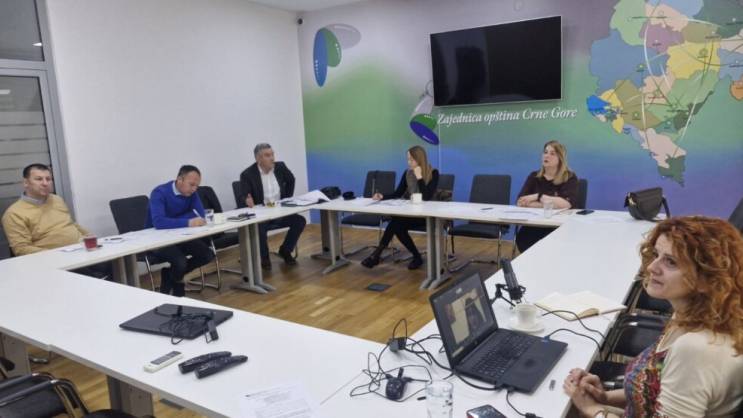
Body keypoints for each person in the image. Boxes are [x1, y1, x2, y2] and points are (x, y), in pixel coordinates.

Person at [564, 216, 743, 418]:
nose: (651, 267)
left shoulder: (696, 348)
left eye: (671, 262)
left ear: (707, 279)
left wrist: (592, 410)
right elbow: (659, 387)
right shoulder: (689, 314)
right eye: (656, 255)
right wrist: (604, 397)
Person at [2, 163, 111, 279]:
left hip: (82, 252)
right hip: (54, 263)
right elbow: (22, 249)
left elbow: (71, 224)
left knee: (116, 262)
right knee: (97, 278)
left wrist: (89, 236)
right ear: (26, 183)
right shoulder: (14, 213)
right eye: (39, 179)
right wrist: (58, 255)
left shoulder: (56, 199)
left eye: (48, 179)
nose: (45, 183)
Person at [361, 145, 439, 270]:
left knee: (396, 223)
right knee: (397, 224)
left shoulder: (433, 173)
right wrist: (382, 196)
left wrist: (419, 177)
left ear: (420, 159)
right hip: (413, 214)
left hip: (428, 216)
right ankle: (413, 256)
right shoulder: (407, 173)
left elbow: (426, 197)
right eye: (408, 159)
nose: (409, 162)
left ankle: (377, 255)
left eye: (412, 159)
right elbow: (398, 193)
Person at [146, 165, 214, 296]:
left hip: (180, 236)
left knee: (207, 254)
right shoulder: (159, 193)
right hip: (157, 240)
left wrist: (171, 220)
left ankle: (170, 275)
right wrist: (188, 221)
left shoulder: (191, 193)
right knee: (180, 262)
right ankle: (177, 284)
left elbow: (200, 215)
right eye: (191, 184)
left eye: (197, 186)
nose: (194, 189)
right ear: (179, 180)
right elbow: (159, 222)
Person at [239, 143, 306, 270]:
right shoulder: (248, 174)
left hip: (279, 211)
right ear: (258, 159)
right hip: (262, 215)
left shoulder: (280, 167)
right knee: (259, 228)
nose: (272, 158)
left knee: (299, 221)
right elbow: (243, 195)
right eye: (267, 155)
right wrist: (246, 200)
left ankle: (285, 250)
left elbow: (291, 180)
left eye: (272, 154)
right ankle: (264, 257)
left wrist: (286, 198)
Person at [514, 140, 578, 252]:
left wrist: (537, 197)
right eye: (545, 152)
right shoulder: (534, 176)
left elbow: (566, 204)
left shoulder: (569, 177)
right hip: (534, 225)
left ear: (560, 158)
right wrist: (552, 204)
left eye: (552, 153)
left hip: (558, 226)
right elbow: (521, 202)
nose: (547, 156)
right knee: (523, 240)